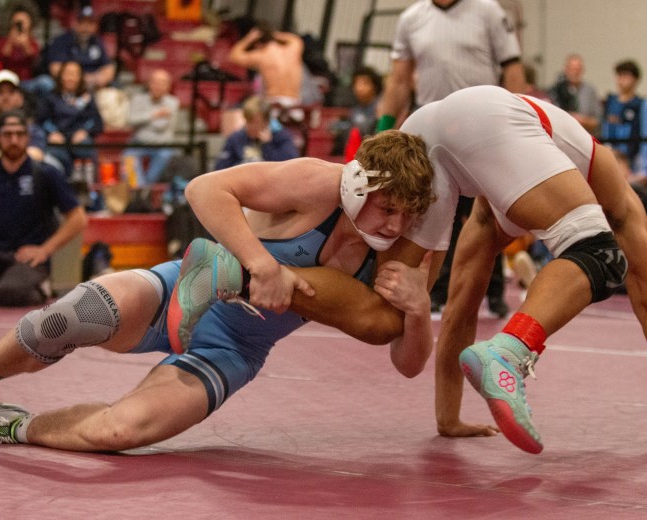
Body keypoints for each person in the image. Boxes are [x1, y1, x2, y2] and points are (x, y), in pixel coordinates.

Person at [0, 130, 438, 451]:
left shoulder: (404, 252)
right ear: (357, 184)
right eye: (386, 208)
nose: (393, 226)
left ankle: (5, 424)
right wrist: (261, 263)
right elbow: (205, 189)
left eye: (405, 216)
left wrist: (417, 313)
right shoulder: (317, 183)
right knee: (73, 314)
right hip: (179, 290)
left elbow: (408, 364)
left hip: (233, 347)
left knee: (119, 431)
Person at [172, 85, 647, 455]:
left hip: (426, 132)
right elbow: (641, 285)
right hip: (486, 122)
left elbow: (461, 303)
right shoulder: (604, 185)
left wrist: (449, 417)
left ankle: (231, 272)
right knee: (603, 255)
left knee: (390, 313)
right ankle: (512, 350)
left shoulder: (489, 204)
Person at [376, 0, 526, 318]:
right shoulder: (411, 18)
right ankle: (437, 291)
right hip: (433, 127)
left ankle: (494, 292)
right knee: (438, 210)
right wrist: (384, 127)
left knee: (489, 211)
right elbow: (400, 79)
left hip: (482, 123)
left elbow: (512, 69)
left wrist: (519, 118)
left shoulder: (488, 11)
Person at [0, 109, 86, 307]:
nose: (14, 140)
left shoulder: (46, 173)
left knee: (11, 293)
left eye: (20, 134)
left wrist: (45, 250)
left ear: (28, 138)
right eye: (7, 134)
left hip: (28, 258)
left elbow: (78, 218)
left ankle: (41, 286)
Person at [36, 60, 103, 180]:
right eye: (67, 73)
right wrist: (51, 133)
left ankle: (88, 186)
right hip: (57, 140)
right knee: (55, 154)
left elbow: (97, 121)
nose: (71, 78)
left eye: (75, 74)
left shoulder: (87, 98)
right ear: (61, 76)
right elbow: (41, 121)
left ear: (80, 77)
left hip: (78, 139)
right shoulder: (50, 98)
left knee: (85, 148)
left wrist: (85, 131)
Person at [227, 22, 304, 110]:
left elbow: (234, 56)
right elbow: (296, 39)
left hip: (273, 104)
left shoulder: (262, 55)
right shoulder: (293, 49)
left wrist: (250, 38)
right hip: (295, 105)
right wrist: (274, 34)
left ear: (258, 44)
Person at [123, 68, 179, 186]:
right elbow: (131, 120)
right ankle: (138, 188)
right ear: (149, 83)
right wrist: (155, 115)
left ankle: (148, 187)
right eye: (155, 82)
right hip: (139, 143)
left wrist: (143, 120)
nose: (158, 86)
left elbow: (161, 125)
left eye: (162, 83)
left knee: (166, 155)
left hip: (162, 146)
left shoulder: (173, 102)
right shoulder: (138, 99)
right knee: (128, 156)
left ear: (168, 86)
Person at [213, 95, 299, 170]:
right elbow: (220, 168)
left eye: (255, 122)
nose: (249, 126)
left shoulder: (281, 137)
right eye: (248, 121)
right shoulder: (236, 138)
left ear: (266, 122)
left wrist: (267, 146)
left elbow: (288, 168)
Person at [45, 5, 115, 92]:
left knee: (113, 91)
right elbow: (55, 69)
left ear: (95, 26)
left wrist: (98, 78)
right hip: (67, 87)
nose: (86, 27)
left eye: (90, 23)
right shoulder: (62, 41)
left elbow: (109, 68)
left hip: (93, 86)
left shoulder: (97, 42)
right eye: (82, 22)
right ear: (75, 23)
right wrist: (80, 79)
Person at [600, 60, 643, 173]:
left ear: (635, 79)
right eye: (619, 75)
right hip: (608, 153)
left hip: (630, 159)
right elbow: (604, 128)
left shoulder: (639, 104)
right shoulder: (609, 101)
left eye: (626, 75)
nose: (622, 79)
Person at [548, 54, 602, 135]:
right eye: (572, 69)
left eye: (578, 69)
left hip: (586, 134)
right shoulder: (556, 91)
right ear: (566, 70)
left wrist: (583, 120)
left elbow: (598, 120)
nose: (575, 72)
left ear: (582, 70)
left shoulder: (590, 91)